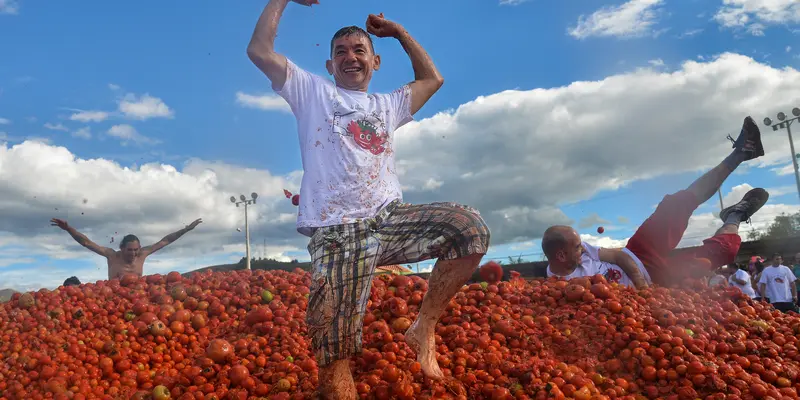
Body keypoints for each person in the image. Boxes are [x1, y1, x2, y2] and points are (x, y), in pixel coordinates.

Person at [246, 1, 490, 398]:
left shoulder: (387, 105)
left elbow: (432, 79)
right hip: (337, 230)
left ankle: (423, 325)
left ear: (375, 61)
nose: (349, 57)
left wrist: (398, 33)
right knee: (333, 353)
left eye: (358, 50)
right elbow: (259, 51)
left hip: (390, 218)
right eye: (340, 52)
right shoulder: (313, 93)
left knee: (469, 230)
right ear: (329, 66)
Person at [544, 116, 768, 288]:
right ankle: (736, 215)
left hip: (638, 250)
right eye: (576, 247)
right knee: (719, 254)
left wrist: (640, 287)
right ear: (561, 256)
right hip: (659, 276)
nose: (582, 248)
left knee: (675, 205)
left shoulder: (581, 250)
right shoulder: (558, 285)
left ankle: (743, 151)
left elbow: (618, 256)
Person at [51, 218, 203, 280]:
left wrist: (186, 229)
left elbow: (165, 241)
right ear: (122, 248)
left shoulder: (142, 255)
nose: (133, 253)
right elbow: (87, 243)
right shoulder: (111, 255)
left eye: (136, 249)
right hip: (113, 300)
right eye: (130, 250)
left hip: (136, 300)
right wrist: (69, 229)